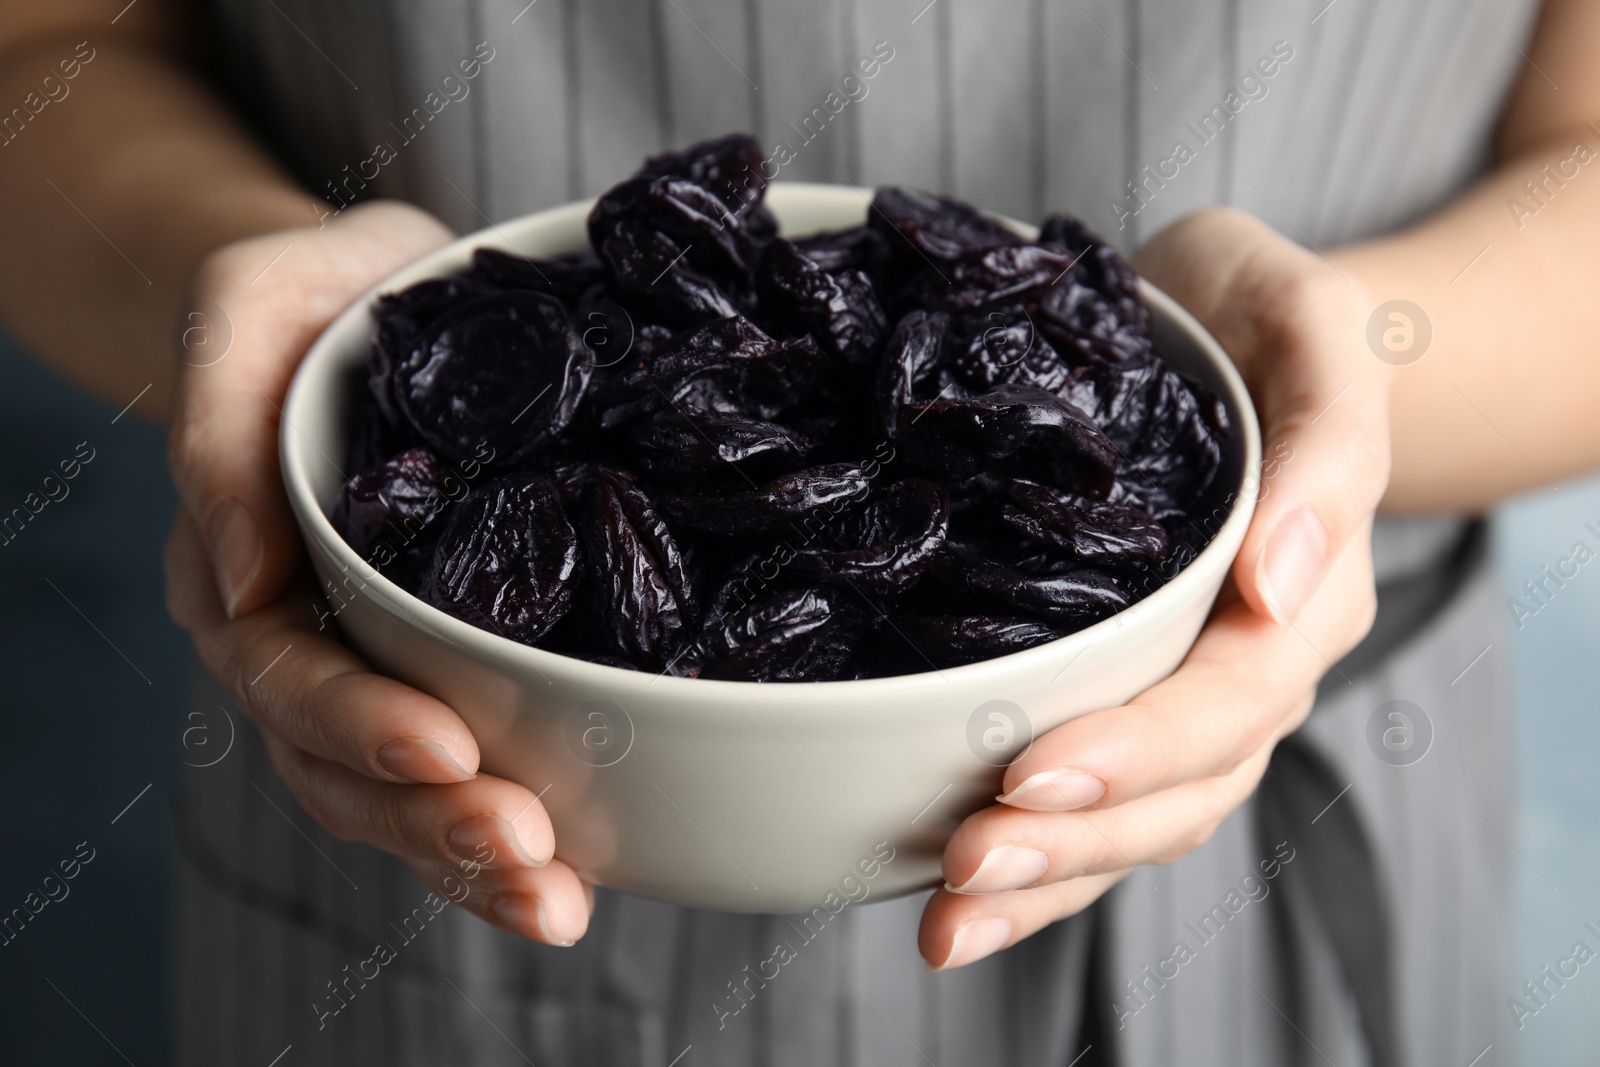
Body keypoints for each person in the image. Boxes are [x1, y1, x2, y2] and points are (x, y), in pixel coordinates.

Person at [1, 0, 1591, 1062]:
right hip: (443, 795)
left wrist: (1352, 371)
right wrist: (262, 307)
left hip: (1306, 754)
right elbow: (51, 51)